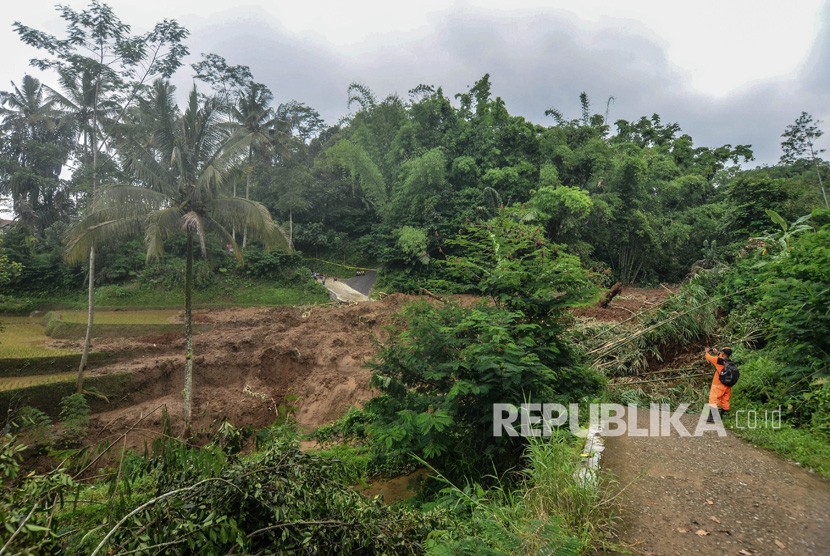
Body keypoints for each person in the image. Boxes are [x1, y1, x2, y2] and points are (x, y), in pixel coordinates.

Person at [705, 346, 733, 423]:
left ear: (723, 353)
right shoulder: (730, 362)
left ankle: (712, 417)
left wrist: (707, 352)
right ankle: (724, 416)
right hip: (727, 385)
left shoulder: (718, 361)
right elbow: (722, 357)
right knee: (725, 400)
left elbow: (709, 358)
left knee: (713, 399)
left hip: (718, 384)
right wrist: (717, 353)